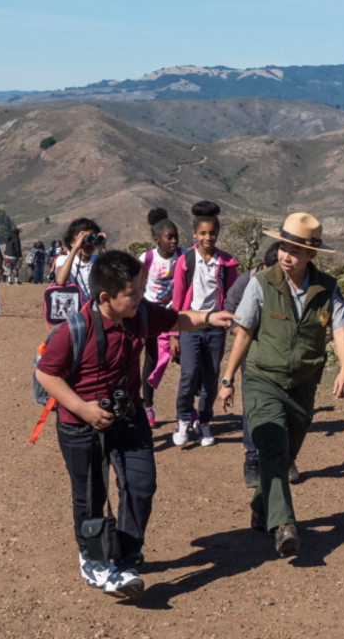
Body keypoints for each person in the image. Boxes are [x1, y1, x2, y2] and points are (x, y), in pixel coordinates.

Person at [35, 250, 236, 600]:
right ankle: (93, 558)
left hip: (128, 416)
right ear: (105, 298)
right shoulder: (74, 330)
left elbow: (176, 319)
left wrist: (209, 317)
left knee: (141, 486)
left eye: (141, 289)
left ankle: (126, 560)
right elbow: (46, 373)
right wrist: (83, 408)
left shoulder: (139, 313)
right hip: (79, 425)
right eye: (132, 292)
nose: (140, 297)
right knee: (91, 495)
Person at [217, 214, 344, 557]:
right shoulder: (261, 282)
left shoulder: (327, 288)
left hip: (303, 383)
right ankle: (284, 526)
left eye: (295, 251)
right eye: (283, 248)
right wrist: (228, 379)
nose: (286, 256)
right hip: (263, 377)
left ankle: (261, 506)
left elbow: (339, 328)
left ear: (311, 255)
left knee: (286, 452)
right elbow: (244, 332)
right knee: (273, 446)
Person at [169, 202, 239, 448]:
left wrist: (232, 323)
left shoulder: (227, 263)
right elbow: (177, 298)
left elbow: (232, 296)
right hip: (189, 326)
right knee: (188, 375)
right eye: (203, 233)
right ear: (194, 234)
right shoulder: (185, 262)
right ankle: (182, 419)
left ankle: (204, 421)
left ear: (218, 233)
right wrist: (173, 333)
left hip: (215, 329)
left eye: (212, 233)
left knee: (211, 378)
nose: (208, 237)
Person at [222, 241, 285, 488]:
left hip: (280, 355)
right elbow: (229, 312)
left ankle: (285, 456)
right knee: (253, 405)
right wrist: (245, 332)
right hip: (251, 353)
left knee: (284, 405)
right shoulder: (246, 282)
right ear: (263, 265)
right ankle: (252, 459)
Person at [138, 209, 184, 428]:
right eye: (169, 237)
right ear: (157, 240)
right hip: (151, 317)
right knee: (151, 360)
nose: (174, 241)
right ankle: (148, 407)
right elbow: (138, 286)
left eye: (176, 237)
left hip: (175, 315)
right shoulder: (147, 258)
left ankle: (188, 410)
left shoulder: (183, 256)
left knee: (184, 360)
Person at [53, 218, 105, 303]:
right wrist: (75, 249)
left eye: (92, 238)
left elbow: (114, 281)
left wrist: (102, 248)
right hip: (75, 308)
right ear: (72, 242)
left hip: (96, 309)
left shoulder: (100, 259)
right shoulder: (63, 259)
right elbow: (61, 281)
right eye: (84, 239)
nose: (89, 243)